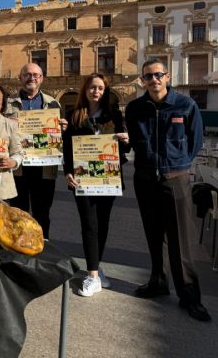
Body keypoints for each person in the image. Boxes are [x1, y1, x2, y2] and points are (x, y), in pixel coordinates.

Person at [126, 59, 211, 321]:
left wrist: (179, 166)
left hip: (175, 179)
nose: (154, 80)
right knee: (154, 235)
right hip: (145, 179)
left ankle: (189, 295)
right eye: (148, 76)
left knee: (180, 240)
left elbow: (196, 140)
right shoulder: (135, 108)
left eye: (158, 75)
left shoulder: (186, 105)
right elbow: (131, 140)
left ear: (168, 76)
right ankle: (158, 282)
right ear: (143, 80)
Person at [62, 74, 129, 297]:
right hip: (83, 180)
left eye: (100, 88)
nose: (96, 92)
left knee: (102, 224)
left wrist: (126, 141)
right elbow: (68, 148)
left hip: (108, 179)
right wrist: (68, 172)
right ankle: (92, 276)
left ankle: (95, 267)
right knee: (89, 225)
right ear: (86, 90)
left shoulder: (114, 115)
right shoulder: (74, 115)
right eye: (92, 87)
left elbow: (124, 150)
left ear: (105, 91)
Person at [5, 62, 66, 238]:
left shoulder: (53, 104)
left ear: (41, 79)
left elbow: (56, 137)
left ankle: (41, 248)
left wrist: (63, 128)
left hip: (44, 168)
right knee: (18, 212)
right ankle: (18, 247)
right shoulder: (9, 104)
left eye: (35, 75)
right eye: (27, 74)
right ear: (20, 77)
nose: (31, 78)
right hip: (18, 168)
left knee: (42, 213)